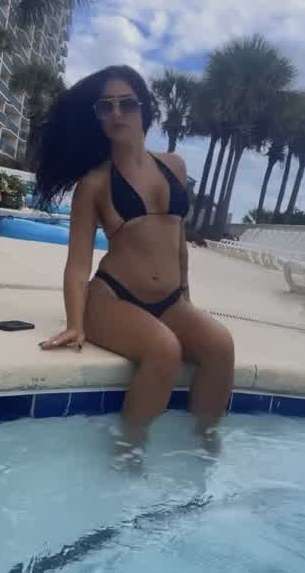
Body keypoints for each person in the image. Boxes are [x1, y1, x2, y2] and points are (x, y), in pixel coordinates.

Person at [37, 65, 234, 459]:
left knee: (220, 345)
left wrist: (186, 297)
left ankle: (204, 439)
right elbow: (78, 264)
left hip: (170, 301)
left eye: (126, 104)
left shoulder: (174, 166)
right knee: (164, 350)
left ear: (145, 108)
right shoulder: (95, 183)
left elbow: (179, 241)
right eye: (105, 106)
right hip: (113, 300)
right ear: (97, 117)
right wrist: (75, 323)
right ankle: (129, 446)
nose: (116, 114)